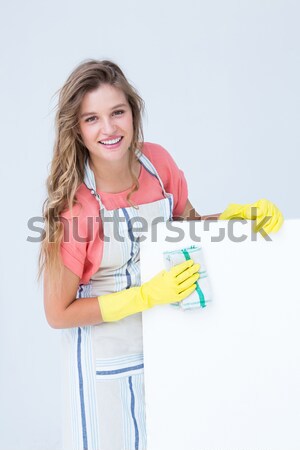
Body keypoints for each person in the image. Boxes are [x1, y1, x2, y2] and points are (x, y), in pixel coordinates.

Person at [38, 59, 283, 450]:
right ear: (77, 130)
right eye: (92, 119)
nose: (109, 129)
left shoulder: (157, 164)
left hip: (166, 347)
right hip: (104, 367)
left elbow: (185, 226)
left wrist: (235, 220)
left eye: (117, 112)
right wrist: (146, 296)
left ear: (133, 112)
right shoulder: (76, 206)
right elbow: (58, 313)